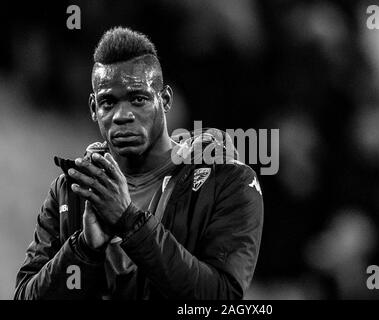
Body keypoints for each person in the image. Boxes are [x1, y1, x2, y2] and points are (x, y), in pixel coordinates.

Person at [14, 27, 263, 300]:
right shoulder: (70, 189)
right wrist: (84, 248)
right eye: (108, 102)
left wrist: (129, 221)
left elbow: (222, 298)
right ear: (93, 108)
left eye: (138, 99)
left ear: (164, 100)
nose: (122, 115)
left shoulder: (227, 182)